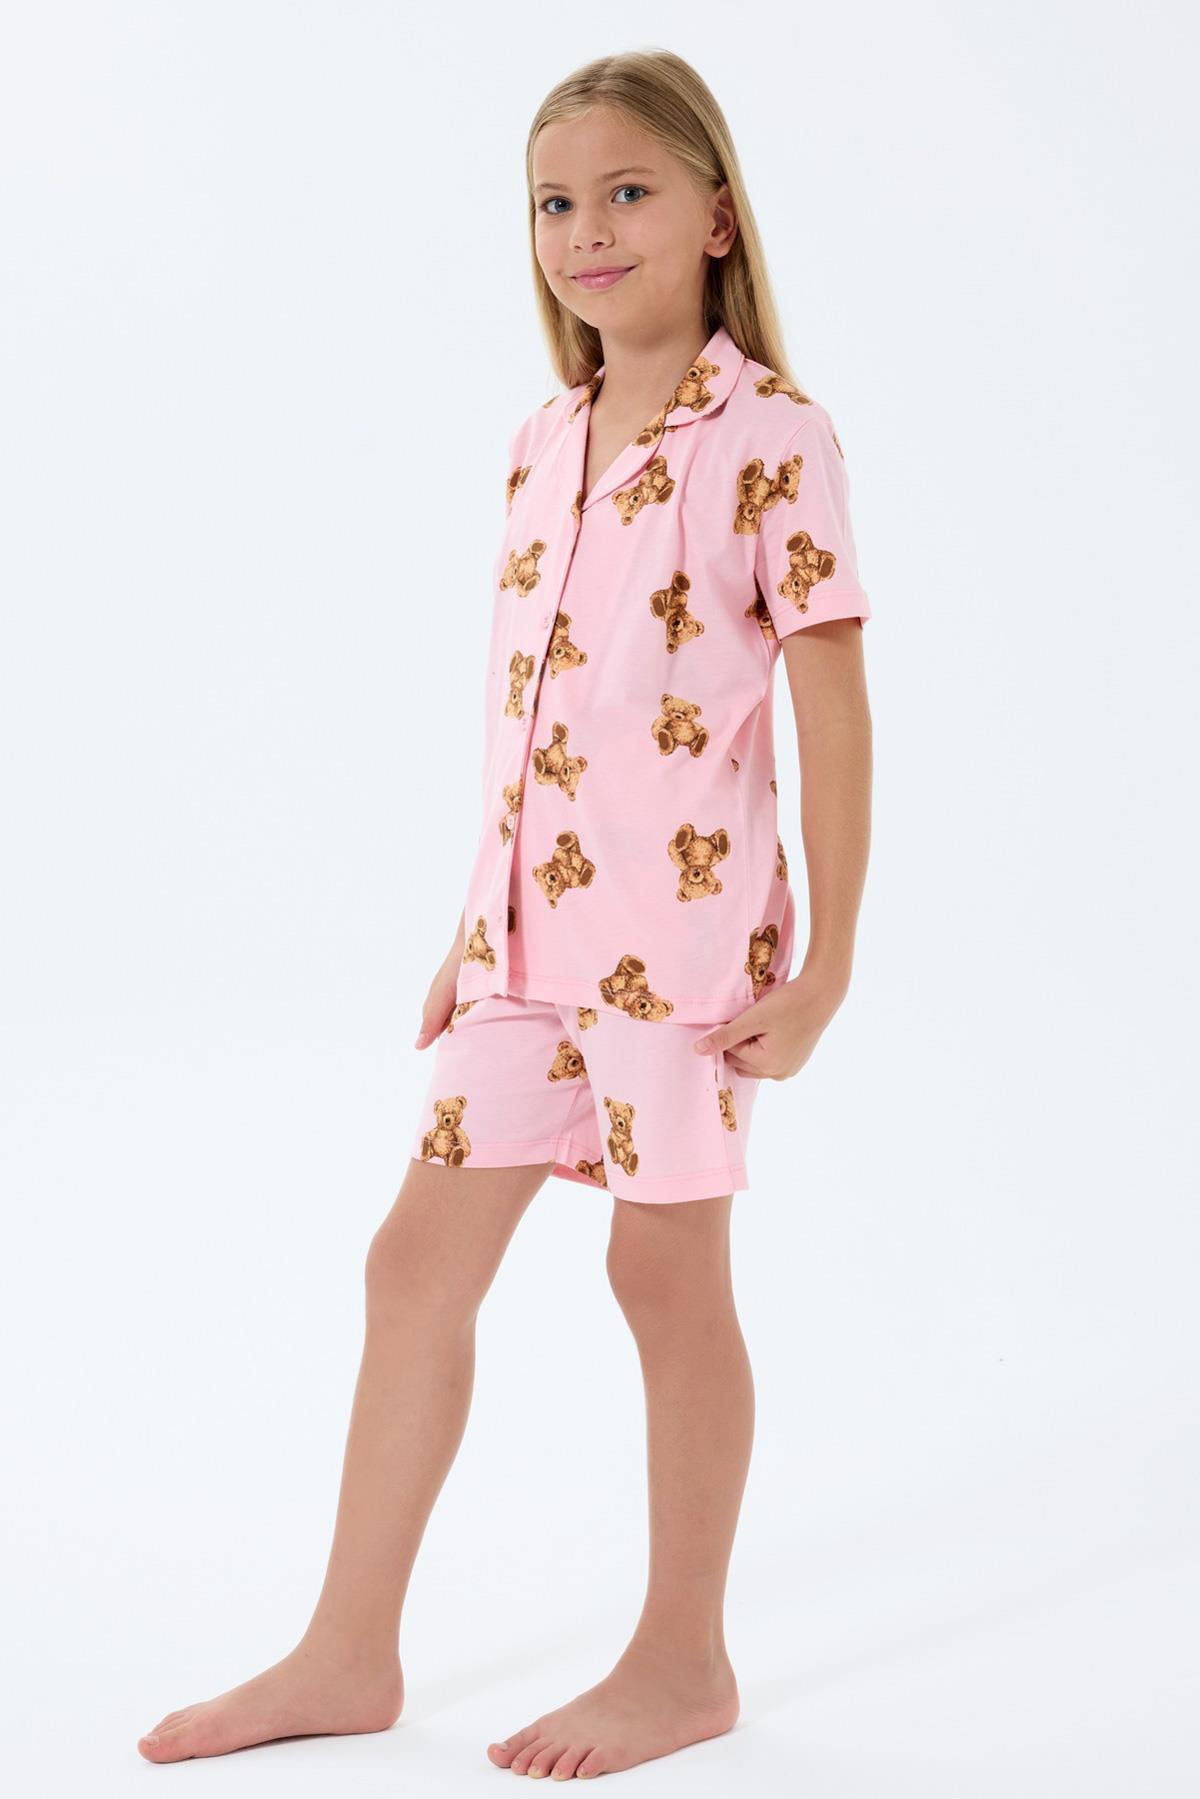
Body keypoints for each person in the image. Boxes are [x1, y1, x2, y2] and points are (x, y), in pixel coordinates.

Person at [138, 47, 873, 1781]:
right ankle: (348, 1650)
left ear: (714, 215)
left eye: (627, 191)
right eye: (556, 201)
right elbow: (536, 719)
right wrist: (473, 925)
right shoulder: (544, 440)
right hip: (523, 945)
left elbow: (832, 708)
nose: (587, 228)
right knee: (413, 1262)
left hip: (680, 952)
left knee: (661, 1273)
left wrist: (831, 963)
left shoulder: (772, 439)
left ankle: (684, 1662)